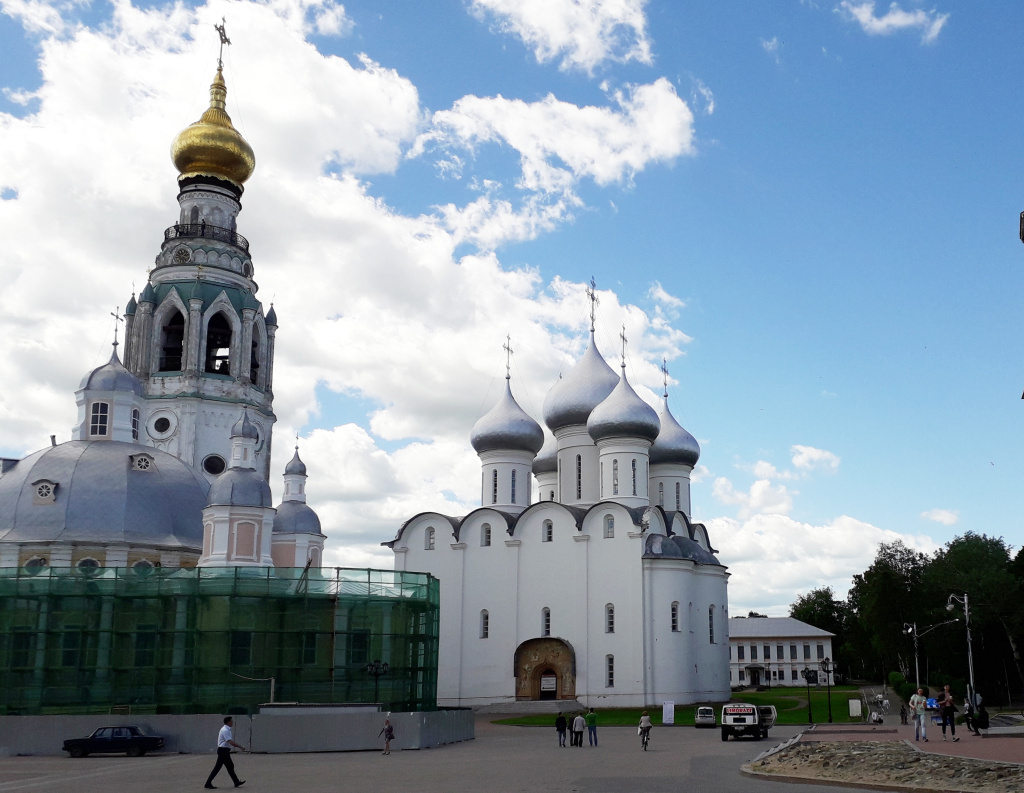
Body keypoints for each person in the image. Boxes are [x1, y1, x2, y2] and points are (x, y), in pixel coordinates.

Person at [205, 716, 247, 789]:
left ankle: (236, 781)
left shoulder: (226, 729)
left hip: (224, 751)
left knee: (230, 766)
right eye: (231, 721)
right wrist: (240, 747)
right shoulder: (225, 730)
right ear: (228, 722)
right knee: (218, 768)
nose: (232, 722)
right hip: (223, 751)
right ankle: (208, 783)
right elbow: (230, 741)